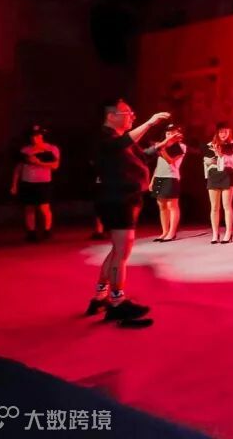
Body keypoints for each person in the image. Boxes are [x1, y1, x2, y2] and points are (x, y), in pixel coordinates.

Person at [85, 99, 170, 326]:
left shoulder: (120, 140)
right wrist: (150, 123)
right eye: (127, 112)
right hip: (117, 199)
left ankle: (100, 296)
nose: (132, 115)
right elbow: (122, 144)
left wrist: (163, 144)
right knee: (122, 252)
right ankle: (117, 302)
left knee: (117, 251)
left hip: (124, 199)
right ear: (111, 116)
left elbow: (141, 155)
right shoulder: (105, 138)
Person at [11, 125, 60, 242]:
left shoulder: (51, 149)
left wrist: (38, 163)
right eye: (32, 136)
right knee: (29, 208)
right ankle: (31, 233)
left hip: (43, 182)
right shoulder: (25, 150)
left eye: (37, 135)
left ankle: (47, 230)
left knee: (44, 207)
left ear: (42, 136)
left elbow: (55, 166)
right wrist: (14, 184)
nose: (34, 138)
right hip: (28, 181)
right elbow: (18, 168)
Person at [149, 124, 186, 242]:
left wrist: (162, 150)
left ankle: (172, 232)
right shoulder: (161, 145)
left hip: (171, 177)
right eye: (168, 133)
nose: (169, 135)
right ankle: (164, 232)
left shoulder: (181, 146)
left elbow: (171, 161)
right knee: (162, 205)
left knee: (172, 206)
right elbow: (158, 164)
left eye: (172, 133)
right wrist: (152, 180)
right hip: (159, 176)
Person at [204, 122, 233, 244]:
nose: (223, 134)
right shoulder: (210, 144)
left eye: (225, 132)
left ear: (229, 132)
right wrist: (211, 160)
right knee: (214, 207)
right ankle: (215, 234)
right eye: (220, 132)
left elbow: (230, 161)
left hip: (227, 173)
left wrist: (220, 155)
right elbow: (206, 161)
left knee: (227, 205)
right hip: (214, 174)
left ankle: (228, 233)